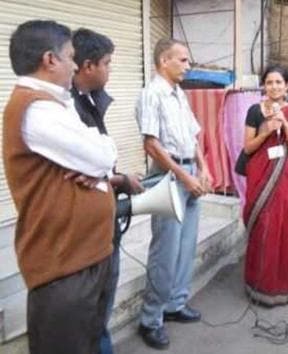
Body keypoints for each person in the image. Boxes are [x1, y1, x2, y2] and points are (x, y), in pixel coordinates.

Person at [3, 20, 118, 354]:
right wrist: (99, 159)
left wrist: (99, 163)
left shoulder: (56, 103)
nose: (74, 65)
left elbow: (103, 158)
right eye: (70, 57)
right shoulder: (35, 108)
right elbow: (102, 152)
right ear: (50, 60)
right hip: (64, 268)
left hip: (82, 258)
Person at [71, 27, 145, 354]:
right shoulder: (66, 109)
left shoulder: (88, 101)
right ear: (89, 66)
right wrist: (119, 181)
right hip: (89, 231)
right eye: (108, 63)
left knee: (101, 310)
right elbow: (80, 175)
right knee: (92, 314)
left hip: (105, 223)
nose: (111, 69)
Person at [135, 38, 211, 350]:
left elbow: (193, 136)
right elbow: (151, 144)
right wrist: (183, 175)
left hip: (188, 173)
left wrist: (203, 167)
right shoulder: (151, 94)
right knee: (165, 251)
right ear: (164, 61)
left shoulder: (179, 93)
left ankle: (175, 304)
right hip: (168, 177)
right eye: (182, 60)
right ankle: (150, 319)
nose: (188, 65)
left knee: (185, 245)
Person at [243, 66, 288, 306]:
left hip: (284, 178)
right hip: (259, 175)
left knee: (280, 226)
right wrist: (264, 132)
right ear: (263, 86)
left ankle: (280, 285)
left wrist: (284, 123)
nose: (274, 87)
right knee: (262, 225)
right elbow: (248, 148)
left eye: (278, 82)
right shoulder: (254, 111)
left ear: (287, 87)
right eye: (269, 82)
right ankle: (257, 283)